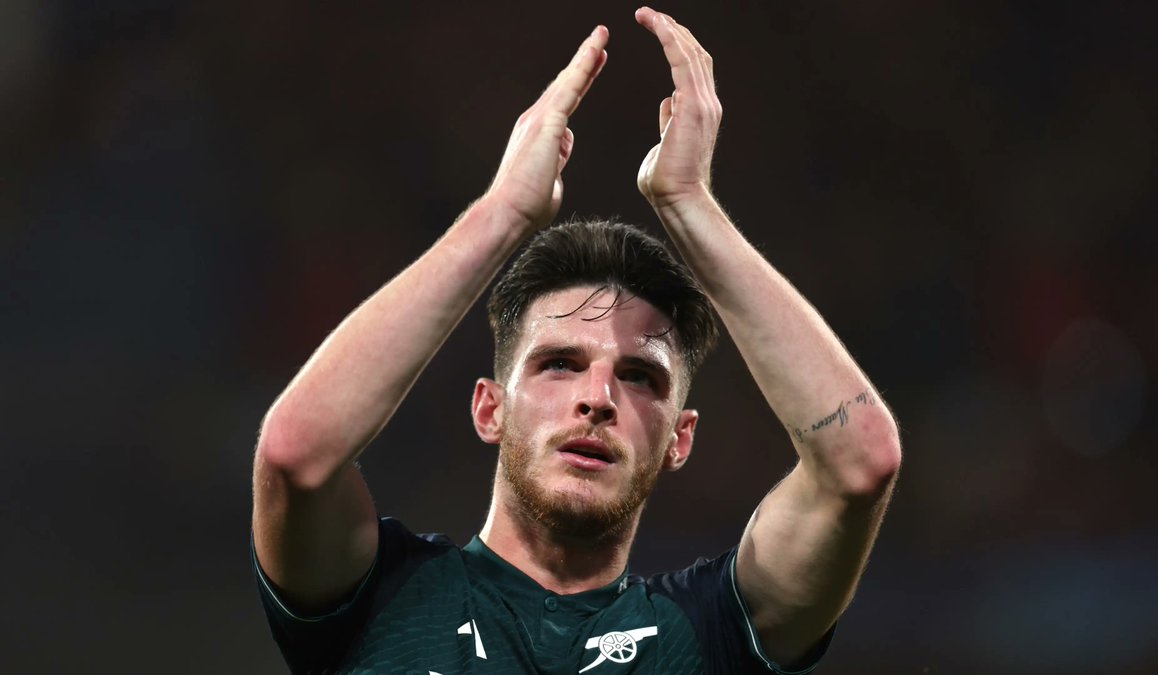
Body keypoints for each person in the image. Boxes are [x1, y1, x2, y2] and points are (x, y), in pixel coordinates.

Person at [251, 7, 901, 674]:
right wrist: (502, 214)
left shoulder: (709, 633)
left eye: (640, 376)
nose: (598, 398)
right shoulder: (385, 596)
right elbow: (297, 453)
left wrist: (691, 207)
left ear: (680, 439)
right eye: (560, 363)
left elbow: (859, 462)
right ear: (489, 408)